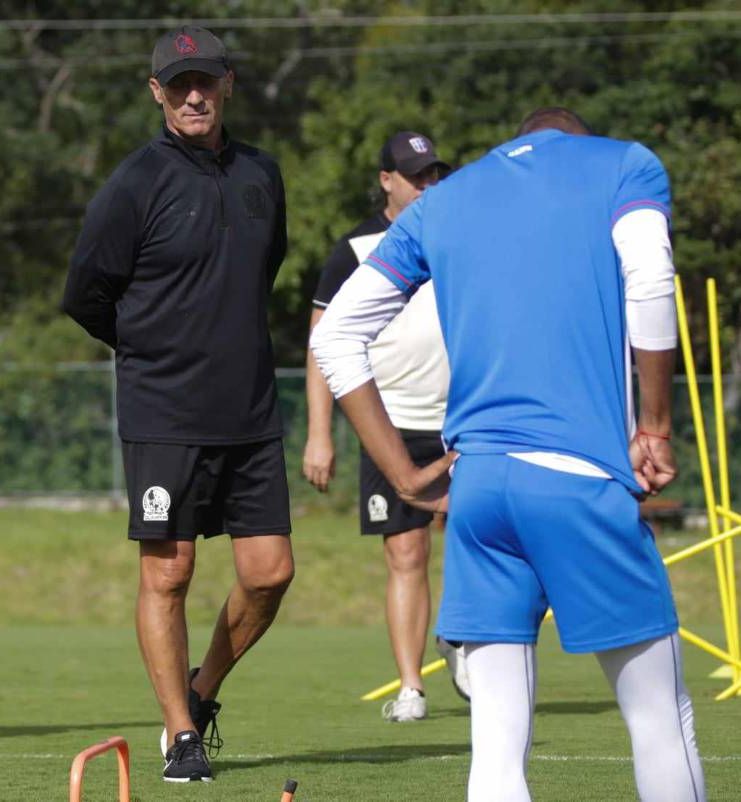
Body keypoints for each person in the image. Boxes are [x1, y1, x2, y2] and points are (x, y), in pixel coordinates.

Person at [310, 107, 707, 801]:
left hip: (479, 494)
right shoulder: (623, 163)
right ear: (574, 140)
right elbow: (649, 279)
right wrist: (655, 425)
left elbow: (335, 334)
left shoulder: (447, 199)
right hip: (579, 480)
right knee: (659, 719)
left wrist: (403, 474)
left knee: (496, 745)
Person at [62, 25, 293, 784]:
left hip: (251, 411)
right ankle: (179, 734)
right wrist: (152, 351)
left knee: (269, 573)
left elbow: (263, 271)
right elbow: (85, 295)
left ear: (228, 82)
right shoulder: (134, 183)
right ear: (156, 90)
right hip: (165, 411)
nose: (194, 94)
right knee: (169, 573)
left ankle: (200, 691)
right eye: (178, 83)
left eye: (207, 80)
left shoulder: (263, 173)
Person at [304, 131, 469, 721]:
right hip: (389, 424)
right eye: (416, 176)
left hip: (460, 417)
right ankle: (411, 688)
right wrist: (319, 432)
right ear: (385, 180)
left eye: (434, 175)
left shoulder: (460, 237)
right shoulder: (355, 248)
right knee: (406, 554)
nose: (428, 186)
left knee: (479, 541)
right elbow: (324, 344)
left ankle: (458, 637)